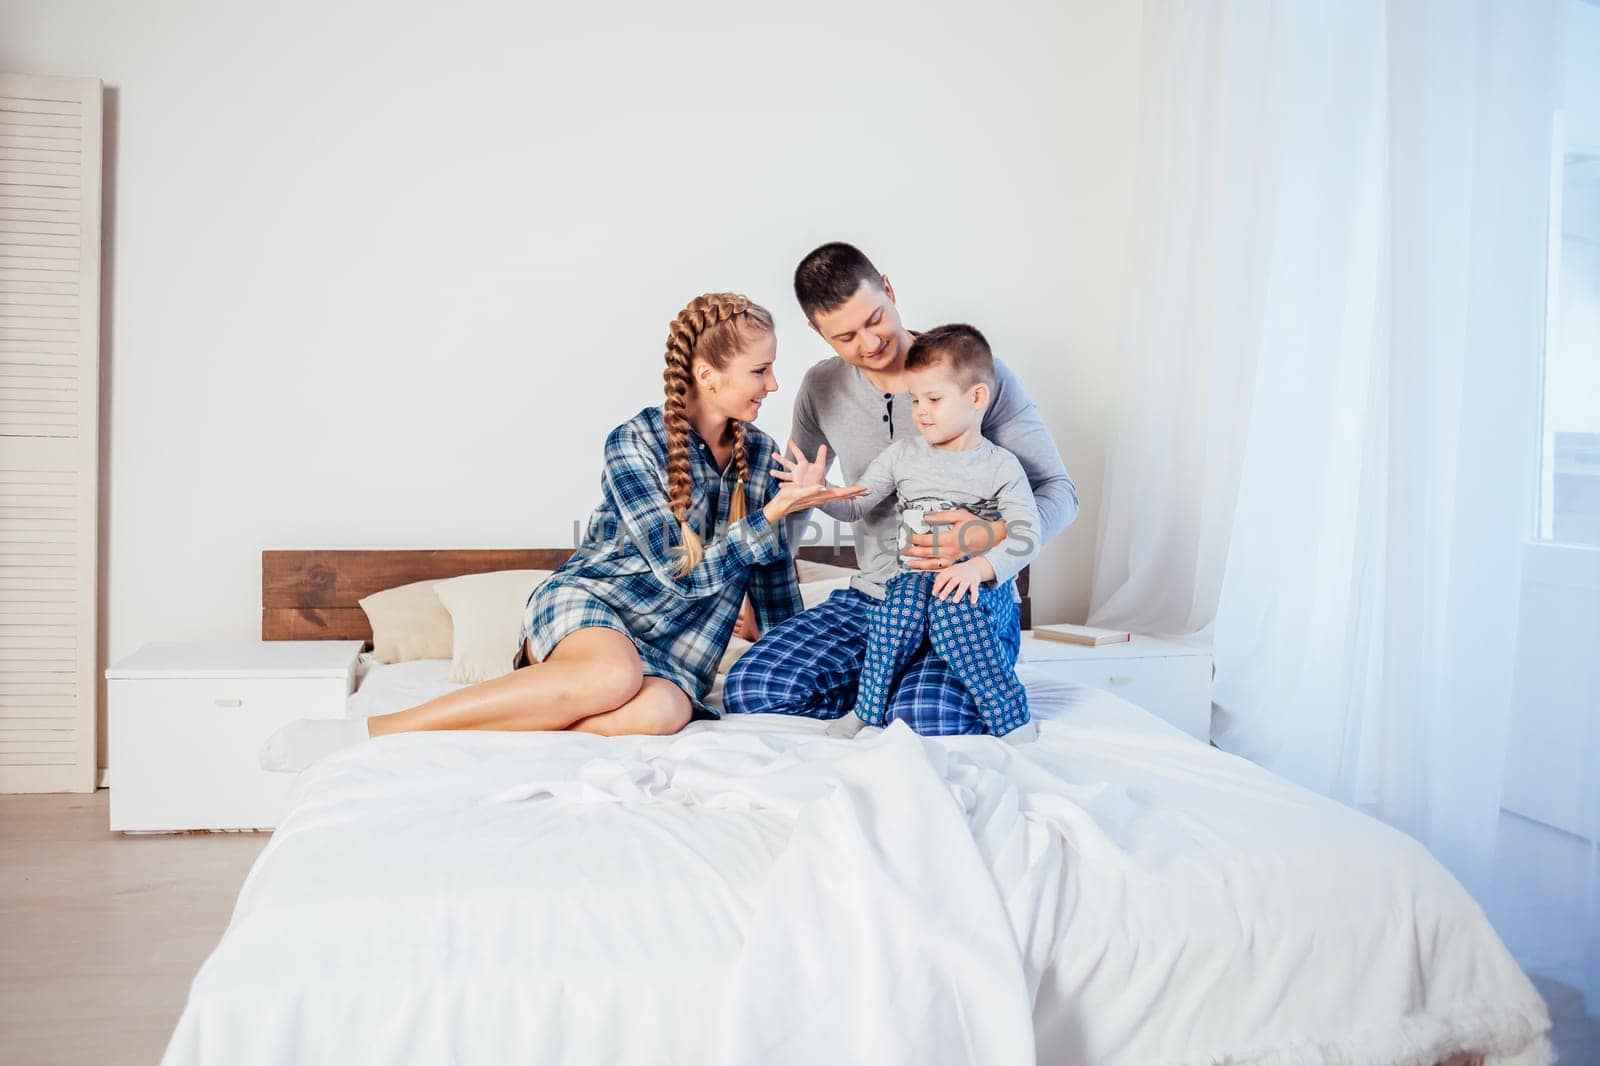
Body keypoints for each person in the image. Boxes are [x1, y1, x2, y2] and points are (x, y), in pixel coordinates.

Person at [260, 292, 860, 772]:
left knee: (660, 712)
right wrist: (774, 516)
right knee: (612, 674)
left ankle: (511, 722)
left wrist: (802, 669)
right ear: (707, 374)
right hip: (595, 610)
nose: (775, 385)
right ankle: (373, 733)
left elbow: (776, 596)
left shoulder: (760, 457)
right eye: (761, 370)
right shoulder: (634, 442)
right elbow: (683, 572)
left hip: (676, 655)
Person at [723, 243, 1078, 735]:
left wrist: (986, 535)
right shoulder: (820, 388)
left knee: (920, 718)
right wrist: (754, 594)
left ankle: (916, 684)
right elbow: (800, 504)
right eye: (845, 336)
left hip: (964, 598)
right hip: (875, 598)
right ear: (817, 334)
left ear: (888, 290)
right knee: (753, 688)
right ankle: (882, 678)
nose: (869, 343)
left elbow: (1060, 492)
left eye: (875, 319)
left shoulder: (970, 375)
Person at [802, 324, 1041, 742]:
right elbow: (857, 503)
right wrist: (817, 494)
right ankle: (867, 711)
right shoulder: (902, 456)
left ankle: (1009, 713)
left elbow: (1026, 534)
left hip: (977, 586)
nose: (921, 412)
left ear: (977, 398)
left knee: (952, 611)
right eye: (915, 400)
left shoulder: (1001, 466)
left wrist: (980, 568)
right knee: (896, 612)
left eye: (933, 399)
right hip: (915, 577)